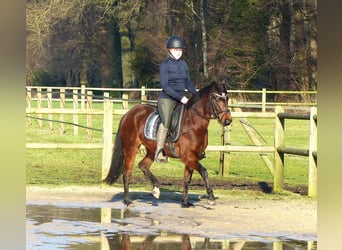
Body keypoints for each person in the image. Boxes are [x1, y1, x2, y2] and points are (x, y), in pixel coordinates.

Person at [155, 35, 197, 162]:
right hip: (167, 99)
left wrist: (196, 94)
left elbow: (188, 82)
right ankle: (159, 151)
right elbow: (165, 86)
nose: (178, 52)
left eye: (180, 50)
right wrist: (181, 98)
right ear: (169, 50)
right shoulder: (164, 65)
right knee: (166, 122)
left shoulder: (184, 64)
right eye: (175, 50)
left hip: (182, 98)